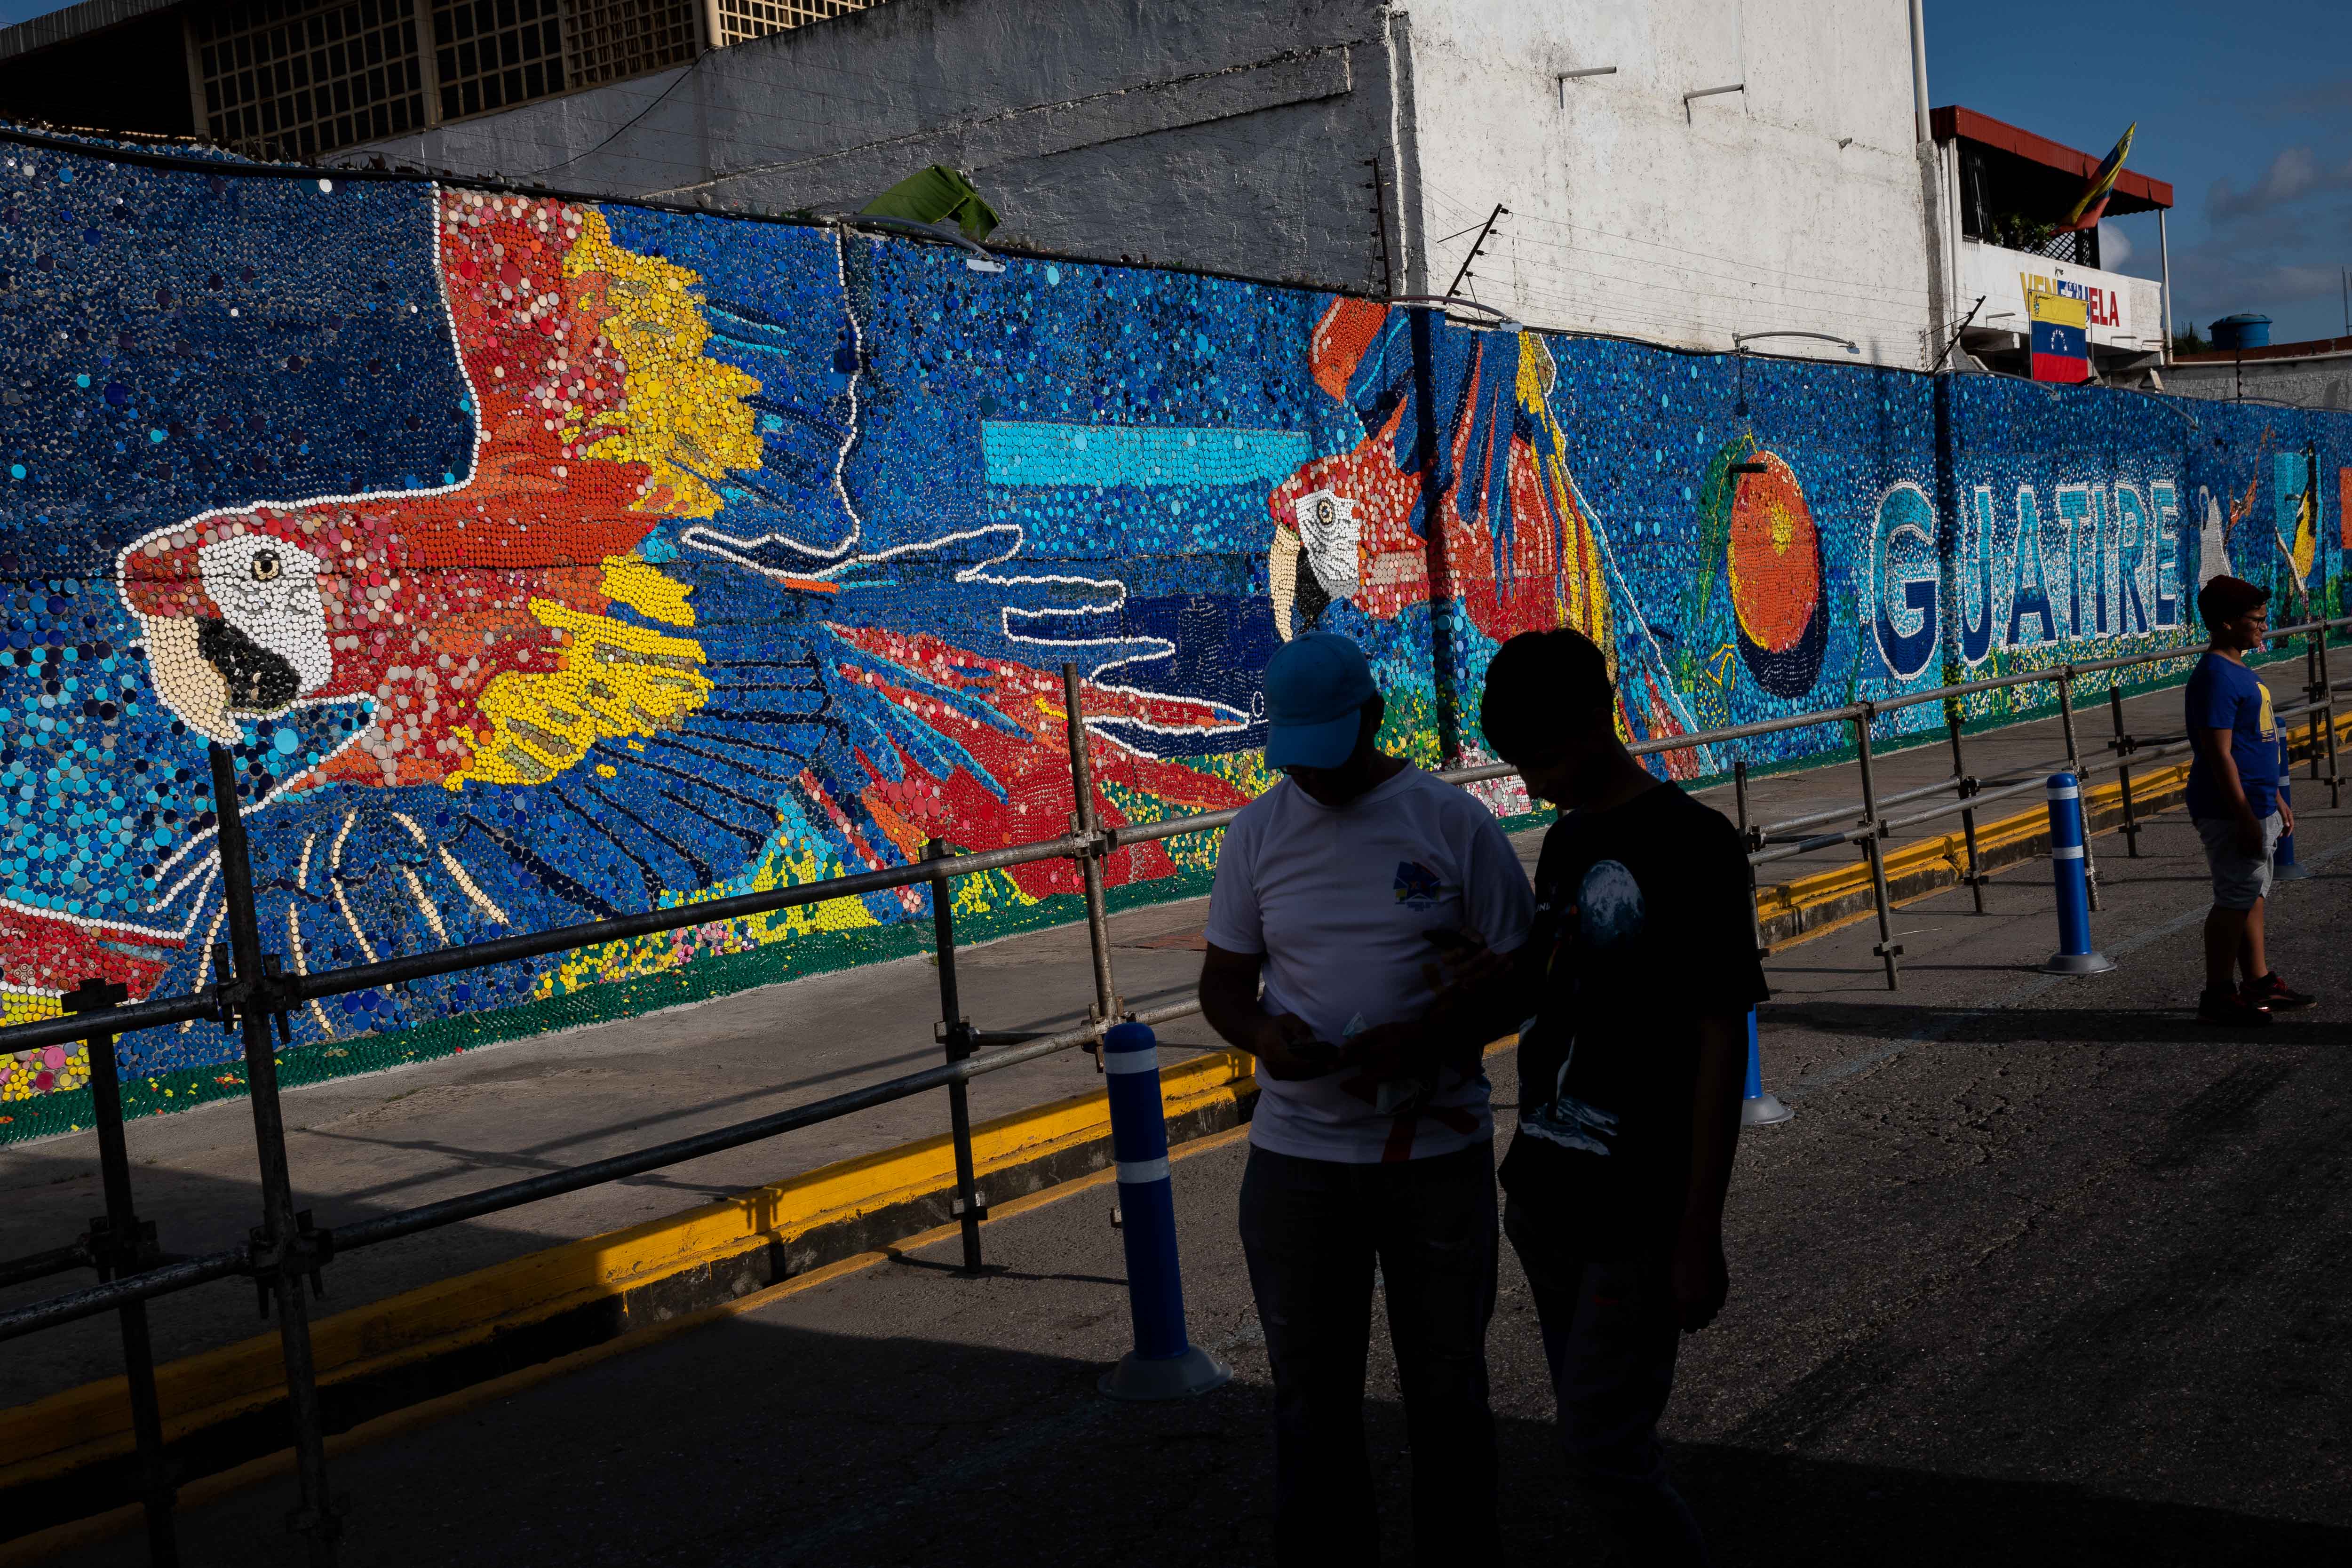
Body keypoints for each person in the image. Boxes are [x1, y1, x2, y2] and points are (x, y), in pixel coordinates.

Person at [1199, 631, 1534, 1566]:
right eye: (1297, 757)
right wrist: (1264, 1035)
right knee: (1310, 1404)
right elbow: (1225, 984)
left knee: (1447, 1395)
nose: (1315, 777)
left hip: (1435, 1158)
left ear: (1376, 720)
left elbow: (1522, 974)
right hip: (1298, 1167)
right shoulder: (1256, 832)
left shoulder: (1452, 822)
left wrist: (1433, 1034)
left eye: (1331, 751)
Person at [1479, 628, 1766, 1567]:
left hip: (1633, 1212)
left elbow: (1721, 1036)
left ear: (1597, 727)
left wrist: (1698, 1228)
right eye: (1521, 766)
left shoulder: (1694, 845)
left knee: (1601, 1449)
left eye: (1545, 759)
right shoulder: (1565, 841)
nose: (1534, 786)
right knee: (1601, 1437)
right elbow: (1545, 985)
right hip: (1547, 1195)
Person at [2185, 575, 2315, 1026]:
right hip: (2231, 809)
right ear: (2225, 623)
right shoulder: (2217, 676)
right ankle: (2218, 993)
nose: (2264, 625)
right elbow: (2218, 754)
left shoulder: (2237, 668)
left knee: (2250, 895)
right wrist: (2242, 813)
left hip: (2257, 803)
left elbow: (2252, 743)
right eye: (2255, 619)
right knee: (2233, 900)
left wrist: (2274, 795)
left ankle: (2257, 982)